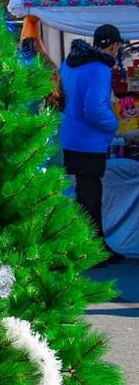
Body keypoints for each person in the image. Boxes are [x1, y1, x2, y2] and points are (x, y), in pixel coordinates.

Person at [60, 23, 125, 265]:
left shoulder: (69, 64)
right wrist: (114, 124)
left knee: (81, 194)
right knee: (90, 193)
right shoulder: (100, 69)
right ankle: (94, 248)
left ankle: (89, 245)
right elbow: (95, 109)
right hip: (89, 142)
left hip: (68, 137)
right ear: (114, 45)